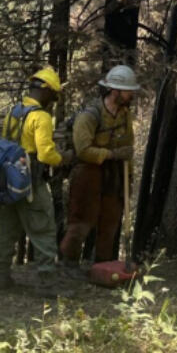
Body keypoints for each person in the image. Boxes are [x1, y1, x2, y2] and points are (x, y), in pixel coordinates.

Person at [59, 64, 138, 271]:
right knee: (82, 220)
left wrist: (128, 177)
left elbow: (127, 147)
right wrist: (111, 154)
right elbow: (83, 150)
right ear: (115, 91)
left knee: (111, 220)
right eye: (128, 91)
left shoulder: (125, 115)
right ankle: (69, 264)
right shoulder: (89, 116)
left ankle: (103, 266)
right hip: (88, 171)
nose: (131, 95)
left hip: (114, 173)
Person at [0, 67, 67, 288]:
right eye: (54, 96)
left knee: (7, 230)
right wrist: (63, 158)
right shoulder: (41, 117)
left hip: (8, 181)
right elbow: (45, 153)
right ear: (45, 92)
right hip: (31, 182)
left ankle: (2, 277)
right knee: (43, 228)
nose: (53, 102)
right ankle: (47, 282)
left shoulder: (13, 112)